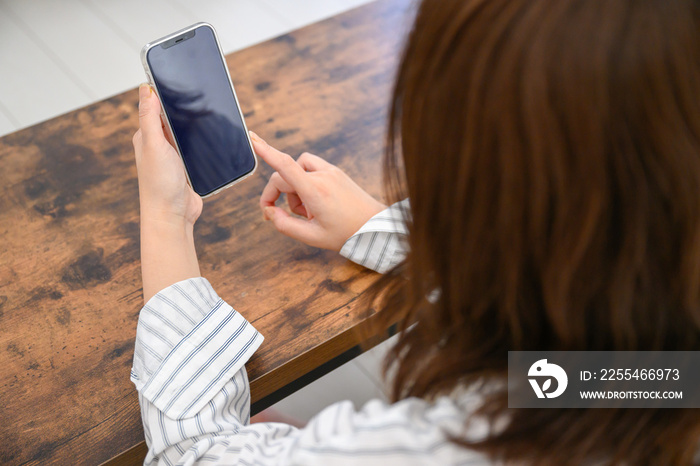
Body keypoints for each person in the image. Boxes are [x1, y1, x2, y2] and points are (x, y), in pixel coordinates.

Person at [131, 0, 700, 464]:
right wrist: (376, 227)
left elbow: (196, 452)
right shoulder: (654, 366)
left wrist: (164, 218)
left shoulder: (451, 446)